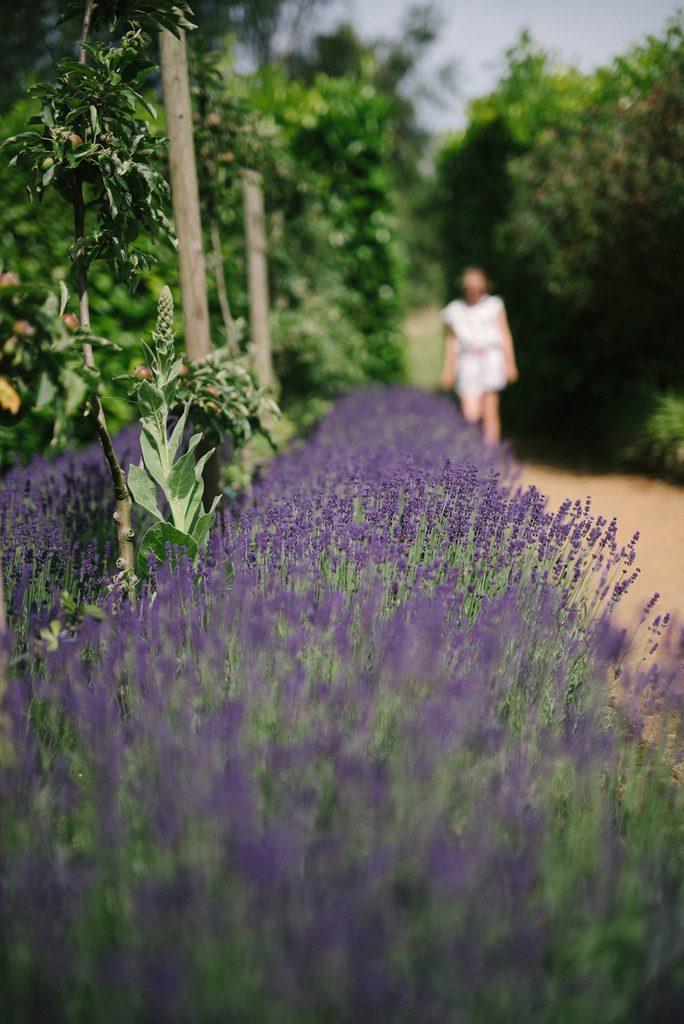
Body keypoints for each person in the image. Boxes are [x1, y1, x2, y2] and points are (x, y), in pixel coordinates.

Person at [440, 267, 518, 444]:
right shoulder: (455, 310)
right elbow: (451, 343)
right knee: (471, 415)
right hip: (468, 361)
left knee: (490, 411)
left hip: (491, 359)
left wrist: (510, 363)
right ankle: (475, 449)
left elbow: (505, 335)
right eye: (470, 287)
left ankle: (490, 456)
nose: (473, 291)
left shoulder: (494, 306)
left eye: (477, 287)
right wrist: (448, 370)